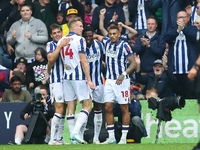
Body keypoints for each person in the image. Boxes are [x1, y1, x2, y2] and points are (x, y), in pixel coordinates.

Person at [94, 26, 136, 144]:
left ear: (119, 34)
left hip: (122, 81)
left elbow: (133, 63)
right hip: (109, 81)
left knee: (124, 108)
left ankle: (123, 137)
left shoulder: (124, 45)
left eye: (114, 34)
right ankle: (111, 137)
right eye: (110, 34)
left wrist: (123, 74)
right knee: (107, 107)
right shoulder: (107, 42)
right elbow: (97, 36)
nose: (112, 36)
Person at [58, 17, 95, 144]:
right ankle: (75, 132)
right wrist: (89, 80)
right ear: (73, 27)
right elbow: (83, 60)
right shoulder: (80, 40)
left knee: (71, 108)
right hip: (79, 77)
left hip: (67, 77)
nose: (82, 28)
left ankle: (74, 140)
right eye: (80, 26)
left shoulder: (62, 39)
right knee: (88, 105)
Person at [165, 11, 198, 99]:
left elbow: (195, 36)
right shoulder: (172, 29)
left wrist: (184, 29)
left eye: (183, 17)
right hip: (175, 71)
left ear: (188, 18)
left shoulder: (193, 28)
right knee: (178, 97)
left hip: (189, 70)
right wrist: (177, 31)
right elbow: (166, 37)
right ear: (176, 20)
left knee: (191, 96)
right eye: (179, 17)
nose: (181, 19)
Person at [46, 23, 70, 145]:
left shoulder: (67, 44)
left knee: (64, 110)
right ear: (51, 35)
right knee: (59, 109)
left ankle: (59, 138)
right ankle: (52, 139)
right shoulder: (50, 44)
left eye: (58, 32)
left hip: (67, 81)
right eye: (54, 33)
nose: (57, 35)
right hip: (56, 81)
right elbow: (50, 59)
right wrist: (60, 46)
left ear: (62, 32)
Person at [83, 26, 105, 144]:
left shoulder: (99, 45)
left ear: (93, 35)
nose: (88, 38)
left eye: (90, 36)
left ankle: (96, 137)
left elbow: (104, 58)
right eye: (86, 36)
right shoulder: (80, 47)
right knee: (85, 109)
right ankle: (81, 135)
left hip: (98, 82)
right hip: (85, 83)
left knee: (98, 108)